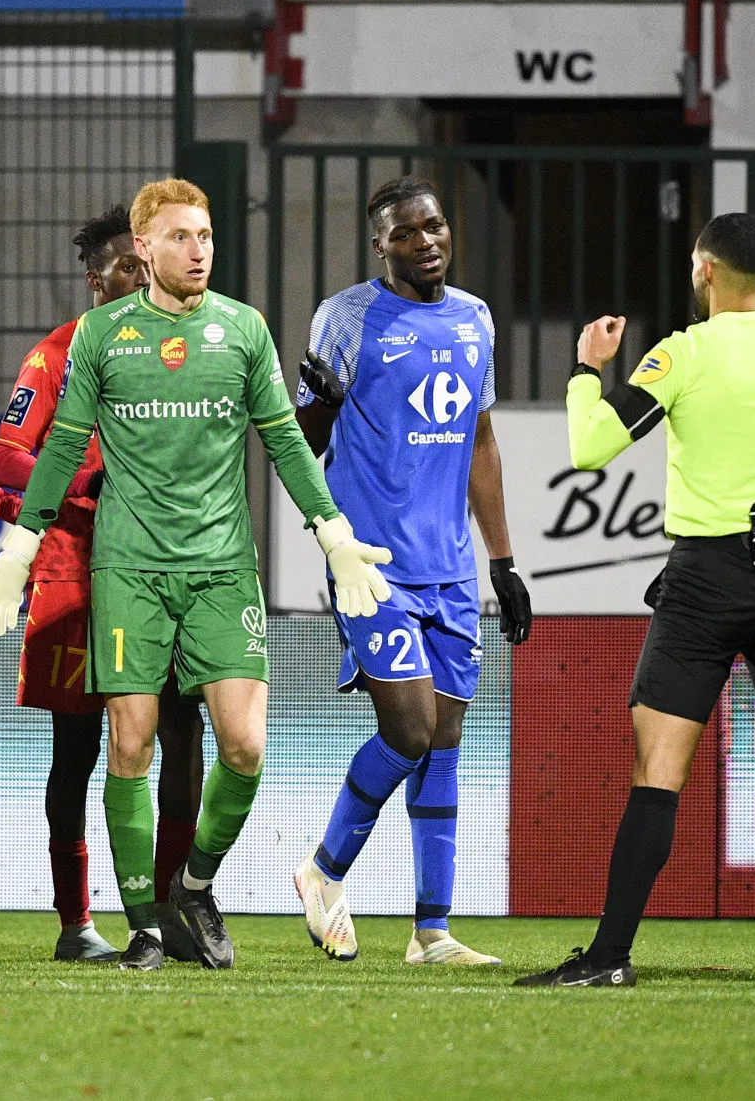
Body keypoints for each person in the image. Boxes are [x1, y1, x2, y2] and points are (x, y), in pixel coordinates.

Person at [0, 177, 393, 972]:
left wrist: (332, 531)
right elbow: (60, 447)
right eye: (179, 237)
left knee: (244, 745)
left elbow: (285, 440)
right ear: (143, 248)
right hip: (127, 570)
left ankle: (193, 884)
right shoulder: (98, 336)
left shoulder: (243, 328)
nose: (198, 250)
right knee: (127, 746)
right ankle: (144, 927)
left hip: (222, 568)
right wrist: (22, 549)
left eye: (205, 235)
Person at [518, 213, 755, 990]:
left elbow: (589, 446)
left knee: (658, 770)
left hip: (703, 577)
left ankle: (609, 958)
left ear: (705, 269)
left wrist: (587, 369)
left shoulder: (682, 354)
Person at [289, 176, 529, 967]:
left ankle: (432, 931)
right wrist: (318, 414)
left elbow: (481, 442)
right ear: (379, 245)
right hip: (372, 564)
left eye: (433, 226)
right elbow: (300, 441)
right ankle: (323, 871)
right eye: (405, 232)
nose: (424, 241)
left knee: (445, 736)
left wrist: (502, 560)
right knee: (411, 728)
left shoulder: (476, 318)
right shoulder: (346, 317)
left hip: (451, 568)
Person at [0, 206, 208, 963]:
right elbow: (7, 459)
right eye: (126, 266)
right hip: (75, 573)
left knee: (182, 733)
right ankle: (75, 920)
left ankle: (176, 907)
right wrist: (90, 481)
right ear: (95, 279)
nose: (141, 277)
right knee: (78, 750)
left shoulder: (184, 348)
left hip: (170, 570)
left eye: (147, 263)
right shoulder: (57, 354)